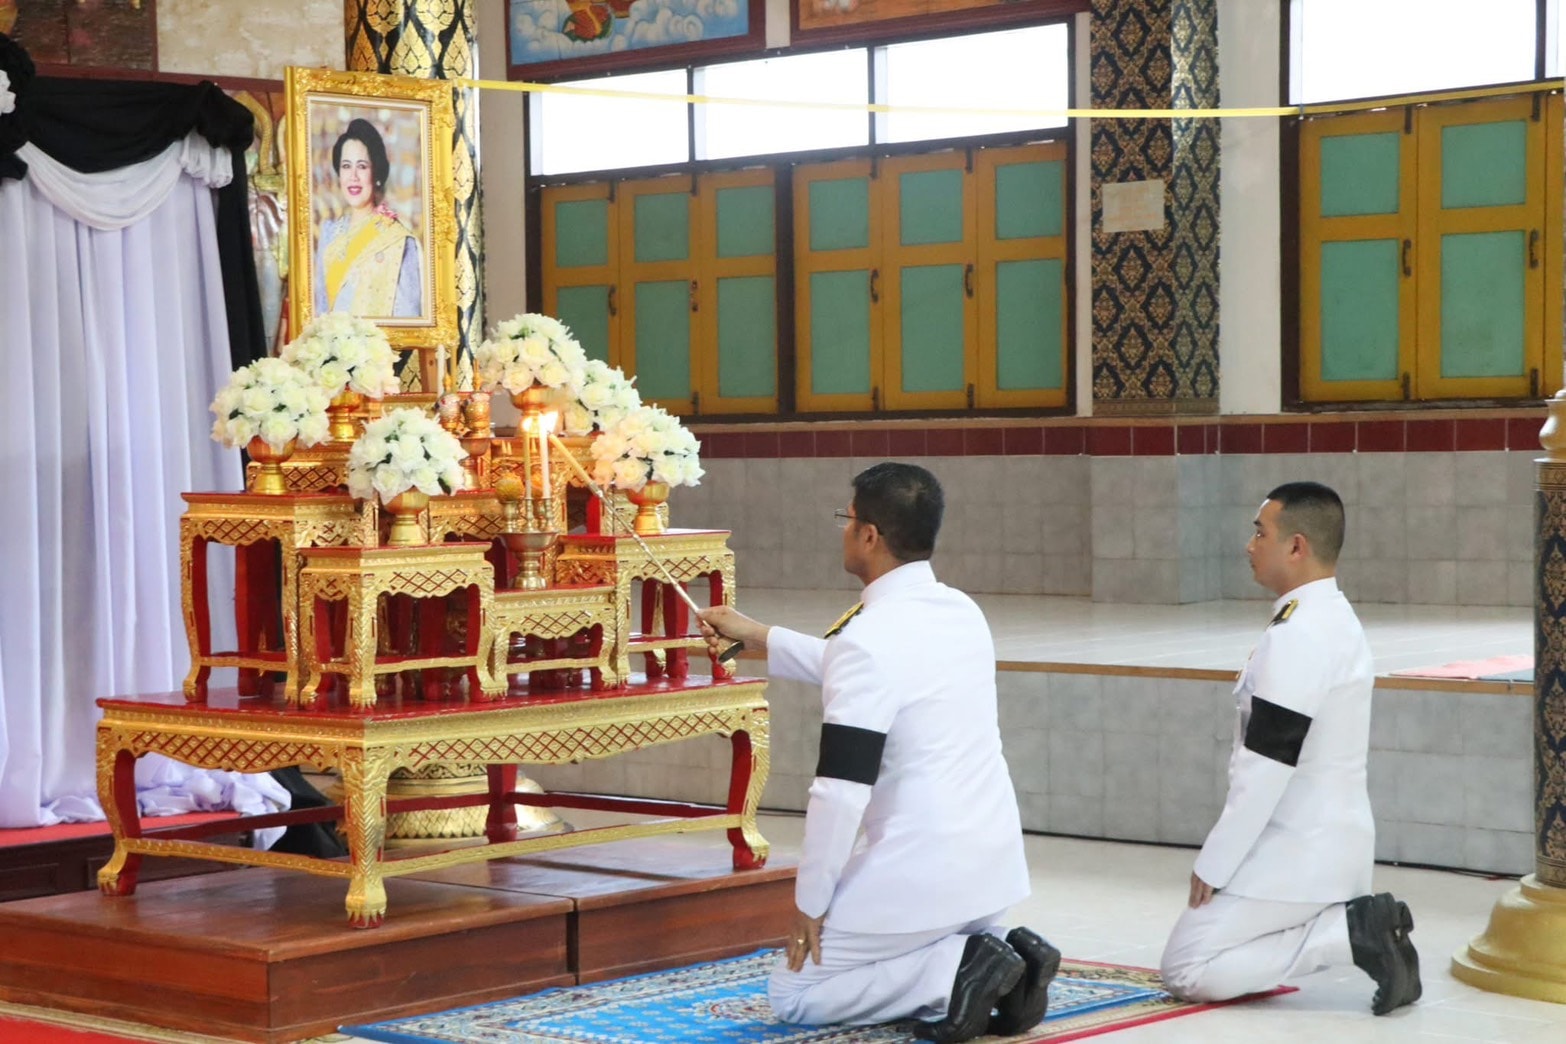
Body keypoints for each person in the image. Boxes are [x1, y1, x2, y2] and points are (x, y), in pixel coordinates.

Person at [698, 462, 1058, 1043]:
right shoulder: (961, 611)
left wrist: (810, 900)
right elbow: (865, 666)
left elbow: (839, 789)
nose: (844, 530)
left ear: (869, 535)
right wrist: (759, 634)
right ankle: (1004, 963)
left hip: (920, 869)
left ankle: (954, 971)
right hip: (990, 869)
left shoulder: (868, 641)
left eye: (848, 519)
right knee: (902, 948)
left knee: (793, 993)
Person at [1160, 481, 1421, 1015]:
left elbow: (1265, 768)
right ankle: (1346, 924)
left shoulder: (1299, 634)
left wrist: (1216, 862)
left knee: (1186, 967)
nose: (1249, 545)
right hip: (1326, 846)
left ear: (1296, 546)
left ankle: (1347, 935)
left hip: (1297, 852)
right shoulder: (1331, 617)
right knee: (1206, 953)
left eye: (1261, 533)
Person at [313, 117, 422, 319]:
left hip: (381, 348)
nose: (353, 176)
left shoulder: (397, 239)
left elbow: (409, 315)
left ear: (376, 173)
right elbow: (320, 309)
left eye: (362, 166)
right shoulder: (328, 233)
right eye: (346, 166)